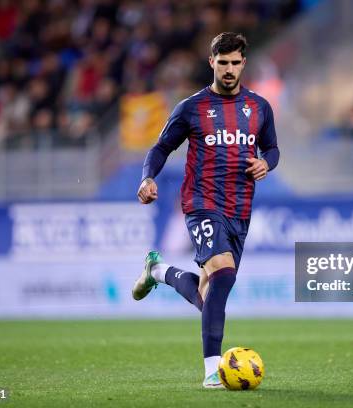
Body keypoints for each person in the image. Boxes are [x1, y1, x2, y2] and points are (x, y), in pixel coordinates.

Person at [133, 32, 279, 389]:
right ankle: (213, 369)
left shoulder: (259, 107)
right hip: (202, 204)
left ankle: (159, 271)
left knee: (206, 295)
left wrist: (266, 163)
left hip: (239, 210)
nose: (229, 69)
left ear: (243, 63)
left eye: (235, 62)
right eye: (223, 62)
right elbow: (160, 147)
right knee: (223, 275)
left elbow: (272, 148)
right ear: (212, 62)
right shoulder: (191, 108)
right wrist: (147, 178)